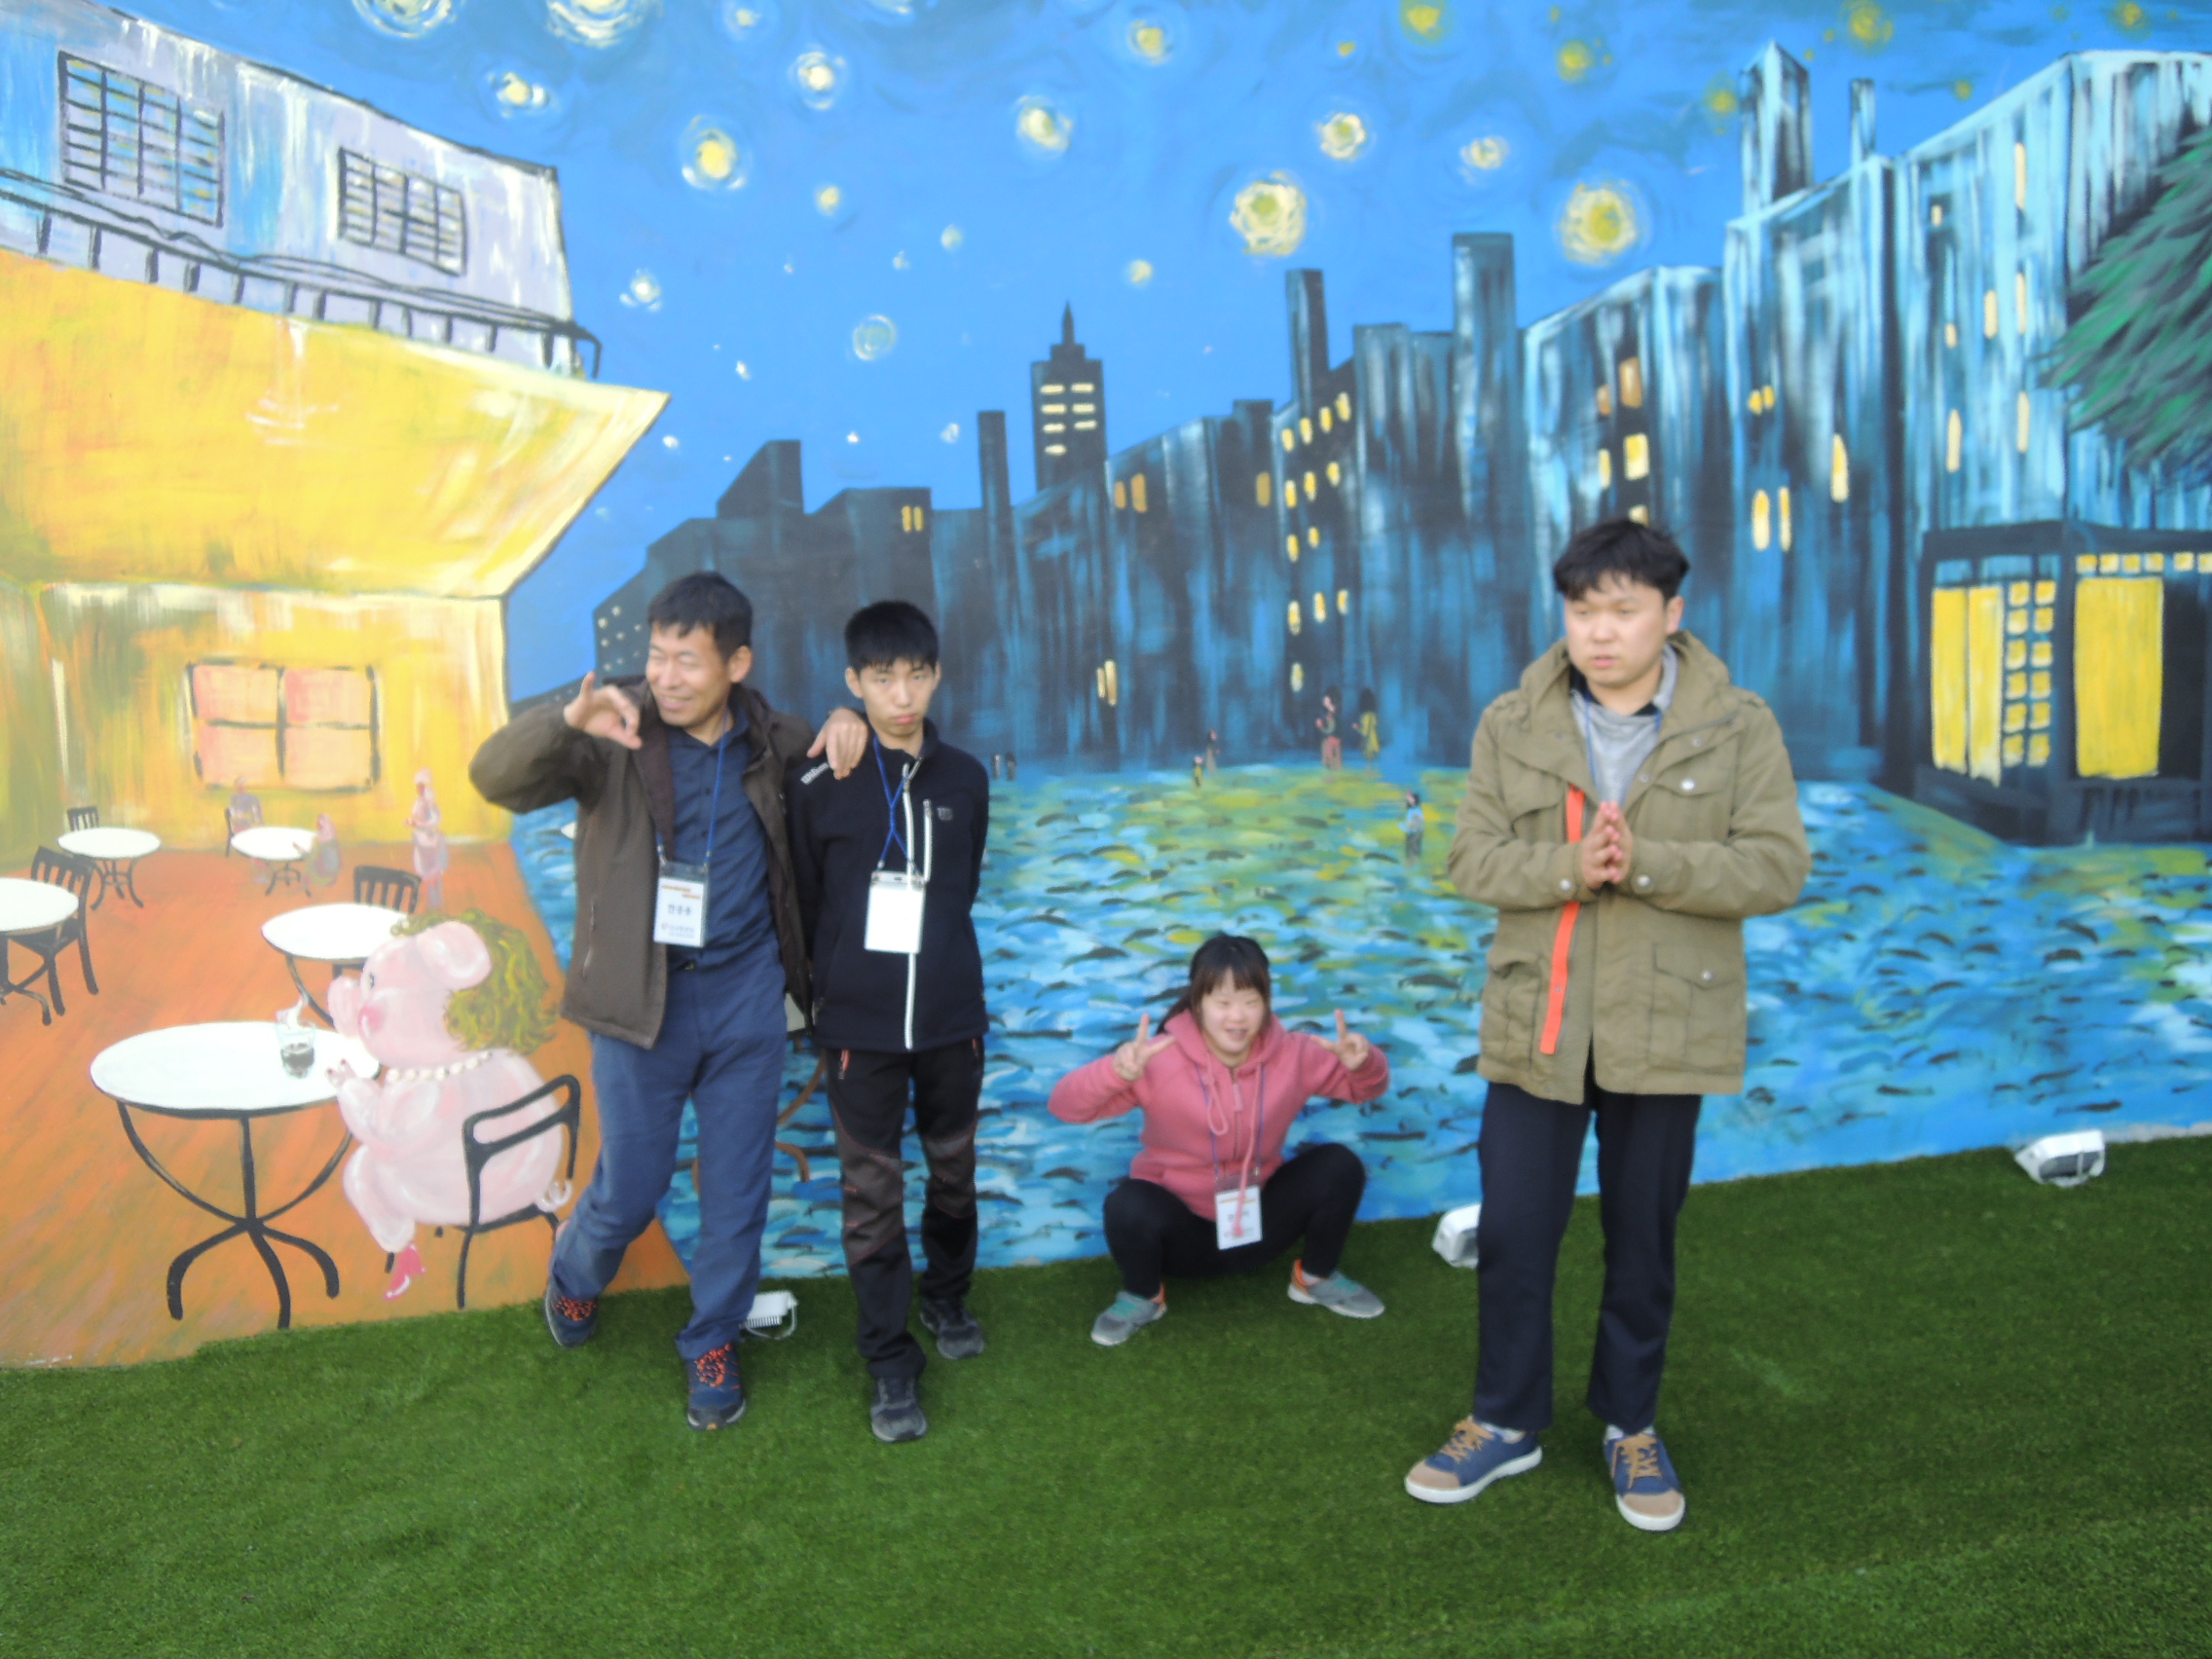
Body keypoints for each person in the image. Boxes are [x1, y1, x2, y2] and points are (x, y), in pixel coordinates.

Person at [1406, 518, 1809, 1531]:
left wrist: (1650, 866)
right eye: (1582, 610)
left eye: (1623, 611)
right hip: (1537, 1018)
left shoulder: (1739, 725)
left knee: (1641, 1234)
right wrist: (1568, 868)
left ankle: (1631, 1424)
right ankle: (1505, 1419)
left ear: (1672, 615)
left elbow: (1777, 866)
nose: (1599, 631)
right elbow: (1468, 858)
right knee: (1514, 1229)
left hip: (1668, 1023)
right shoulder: (1512, 722)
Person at [468, 571, 869, 1432]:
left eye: (688, 660)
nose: (667, 677)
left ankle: (712, 1339)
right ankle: (577, 1274)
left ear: (737, 664)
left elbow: (836, 759)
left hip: (745, 1000)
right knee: (634, 1184)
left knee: (737, 1189)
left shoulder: (774, 739)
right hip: (639, 1002)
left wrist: (849, 721)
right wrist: (564, 722)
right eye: (657, 656)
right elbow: (493, 777)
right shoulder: (612, 730)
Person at [787, 602, 993, 1445]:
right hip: (857, 1034)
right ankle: (888, 1362)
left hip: (951, 1022)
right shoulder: (820, 783)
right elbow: (807, 904)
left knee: (953, 1174)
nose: (901, 695)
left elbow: (962, 890)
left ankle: (947, 1298)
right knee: (871, 1198)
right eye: (882, 679)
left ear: (937, 676)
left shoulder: (966, 779)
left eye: (916, 675)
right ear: (854, 682)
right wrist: (827, 1003)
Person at [1049, 935, 1390, 1346]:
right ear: (1198, 1003)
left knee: (1339, 1164)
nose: (1238, 1016)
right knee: (1128, 1203)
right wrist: (1114, 1074)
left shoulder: (1296, 1053)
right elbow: (1064, 1108)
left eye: (1250, 1001)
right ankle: (1144, 1295)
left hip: (1259, 1228)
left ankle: (1314, 1277)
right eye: (1223, 1002)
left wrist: (1365, 1063)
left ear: (1266, 1001)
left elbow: (1365, 1090)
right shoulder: (1156, 1058)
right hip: (1183, 1242)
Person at [408, 770, 449, 910]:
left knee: (434, 870)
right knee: (425, 869)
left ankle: (436, 900)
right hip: (421, 840)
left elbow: (434, 821)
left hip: (431, 841)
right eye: (418, 786)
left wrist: (417, 824)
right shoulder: (419, 802)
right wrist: (415, 824)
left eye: (421, 786)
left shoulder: (431, 803)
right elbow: (418, 817)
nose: (419, 789)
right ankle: (431, 900)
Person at [1316, 690, 1342, 771]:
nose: (1324, 701)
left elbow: (1331, 728)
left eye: (1326, 700)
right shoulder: (1327, 712)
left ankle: (1333, 769)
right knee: (1329, 757)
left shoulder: (1332, 712)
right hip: (1330, 737)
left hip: (1332, 738)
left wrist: (1321, 726)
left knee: (1331, 757)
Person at [1356, 688, 1382, 768]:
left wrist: (1357, 728)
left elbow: (1365, 731)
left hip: (1368, 742)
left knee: (1368, 761)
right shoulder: (1373, 715)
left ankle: (1369, 771)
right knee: (1371, 762)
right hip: (1374, 740)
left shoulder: (1365, 716)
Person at [1402, 791, 1424, 865]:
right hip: (1411, 831)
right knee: (1410, 847)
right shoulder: (1411, 810)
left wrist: (1411, 826)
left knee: (1414, 847)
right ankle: (1411, 861)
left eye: (1410, 799)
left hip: (1415, 832)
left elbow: (1418, 821)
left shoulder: (1416, 810)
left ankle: (1413, 862)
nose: (1408, 801)